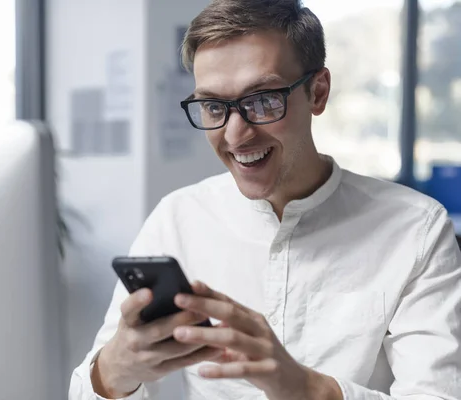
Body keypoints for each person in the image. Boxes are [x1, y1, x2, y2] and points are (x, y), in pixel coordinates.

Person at [69, 0, 461, 398]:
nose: (236, 136)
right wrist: (115, 370)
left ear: (318, 92)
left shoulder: (417, 230)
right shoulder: (178, 218)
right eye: (213, 106)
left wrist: (307, 388)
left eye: (262, 100)